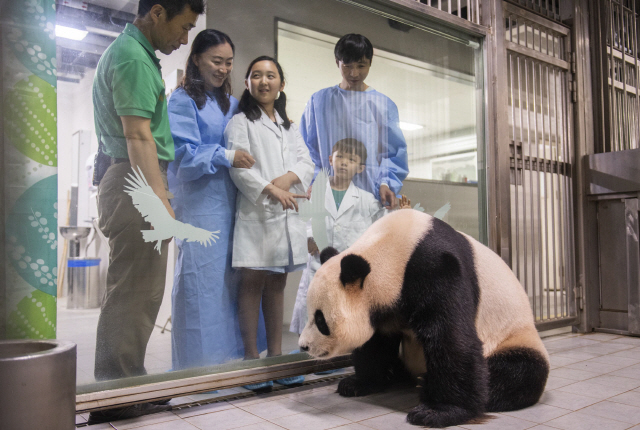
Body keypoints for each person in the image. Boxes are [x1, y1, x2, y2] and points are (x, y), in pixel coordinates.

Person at [89, 0, 204, 424]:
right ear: (158, 12)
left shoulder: (135, 54)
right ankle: (114, 394)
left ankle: (127, 384)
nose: (185, 37)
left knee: (141, 293)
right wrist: (160, 201)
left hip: (132, 178)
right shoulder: (134, 58)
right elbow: (138, 135)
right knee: (132, 292)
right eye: (184, 26)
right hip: (135, 180)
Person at [167, 30, 268, 370]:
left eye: (228, 63)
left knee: (233, 286)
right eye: (216, 61)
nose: (223, 69)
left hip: (234, 208)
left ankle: (234, 364)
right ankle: (198, 369)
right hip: (200, 208)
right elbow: (182, 158)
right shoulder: (183, 101)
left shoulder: (233, 104)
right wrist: (225, 154)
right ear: (196, 58)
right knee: (201, 286)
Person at [225, 56, 314, 392]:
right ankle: (251, 360)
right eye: (257, 76)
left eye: (271, 75)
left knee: (276, 286)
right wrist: (272, 189)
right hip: (257, 213)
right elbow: (239, 169)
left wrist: (288, 178)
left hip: (285, 213)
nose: (264, 81)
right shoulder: (239, 123)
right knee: (251, 284)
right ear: (247, 82)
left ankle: (275, 358)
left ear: (281, 84)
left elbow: (305, 161)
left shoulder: (289, 126)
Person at [290, 139, 411, 336]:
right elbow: (300, 221)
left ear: (361, 168)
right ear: (330, 160)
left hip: (347, 272)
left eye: (352, 159)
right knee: (313, 322)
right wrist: (309, 238)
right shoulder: (315, 193)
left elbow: (382, 225)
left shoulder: (366, 200)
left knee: (342, 324)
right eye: (340, 157)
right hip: (317, 267)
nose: (345, 162)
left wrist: (402, 215)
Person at [299, 33, 409, 209]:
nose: (354, 73)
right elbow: (307, 149)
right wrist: (314, 181)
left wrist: (386, 183)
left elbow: (394, 154)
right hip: (325, 193)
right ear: (337, 62)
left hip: (370, 195)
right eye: (347, 66)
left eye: (361, 66)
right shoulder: (319, 101)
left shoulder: (383, 105)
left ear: (370, 64)